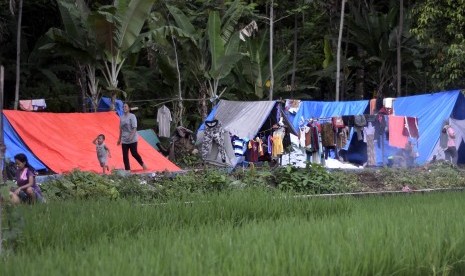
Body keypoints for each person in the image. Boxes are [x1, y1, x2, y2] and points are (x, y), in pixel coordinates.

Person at [117, 103, 147, 171]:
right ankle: (127, 170)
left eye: (125, 106)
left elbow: (134, 128)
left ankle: (142, 164)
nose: (124, 108)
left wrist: (131, 136)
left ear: (129, 108)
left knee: (134, 153)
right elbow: (121, 129)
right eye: (123, 107)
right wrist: (119, 139)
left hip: (132, 138)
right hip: (124, 138)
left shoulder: (132, 116)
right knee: (125, 155)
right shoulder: (121, 117)